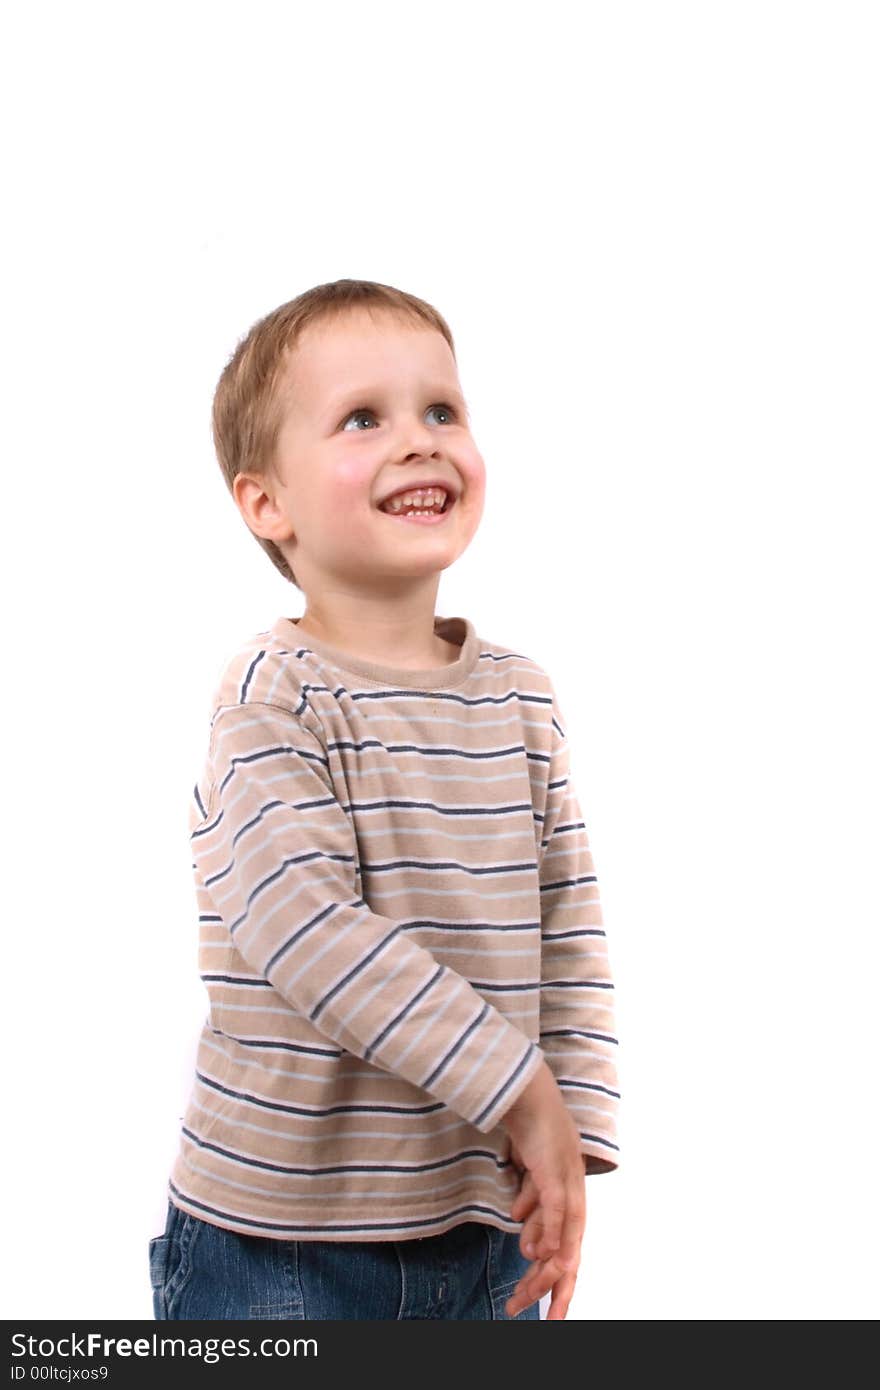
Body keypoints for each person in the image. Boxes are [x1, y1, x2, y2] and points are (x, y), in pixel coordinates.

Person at [147, 278, 621, 1322]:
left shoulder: (520, 696)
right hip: (278, 1252)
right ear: (266, 502)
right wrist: (520, 1090)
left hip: (480, 1233)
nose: (420, 441)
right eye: (364, 417)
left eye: (441, 410)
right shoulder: (272, 698)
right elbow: (306, 931)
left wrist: (569, 1133)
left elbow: (569, 933)